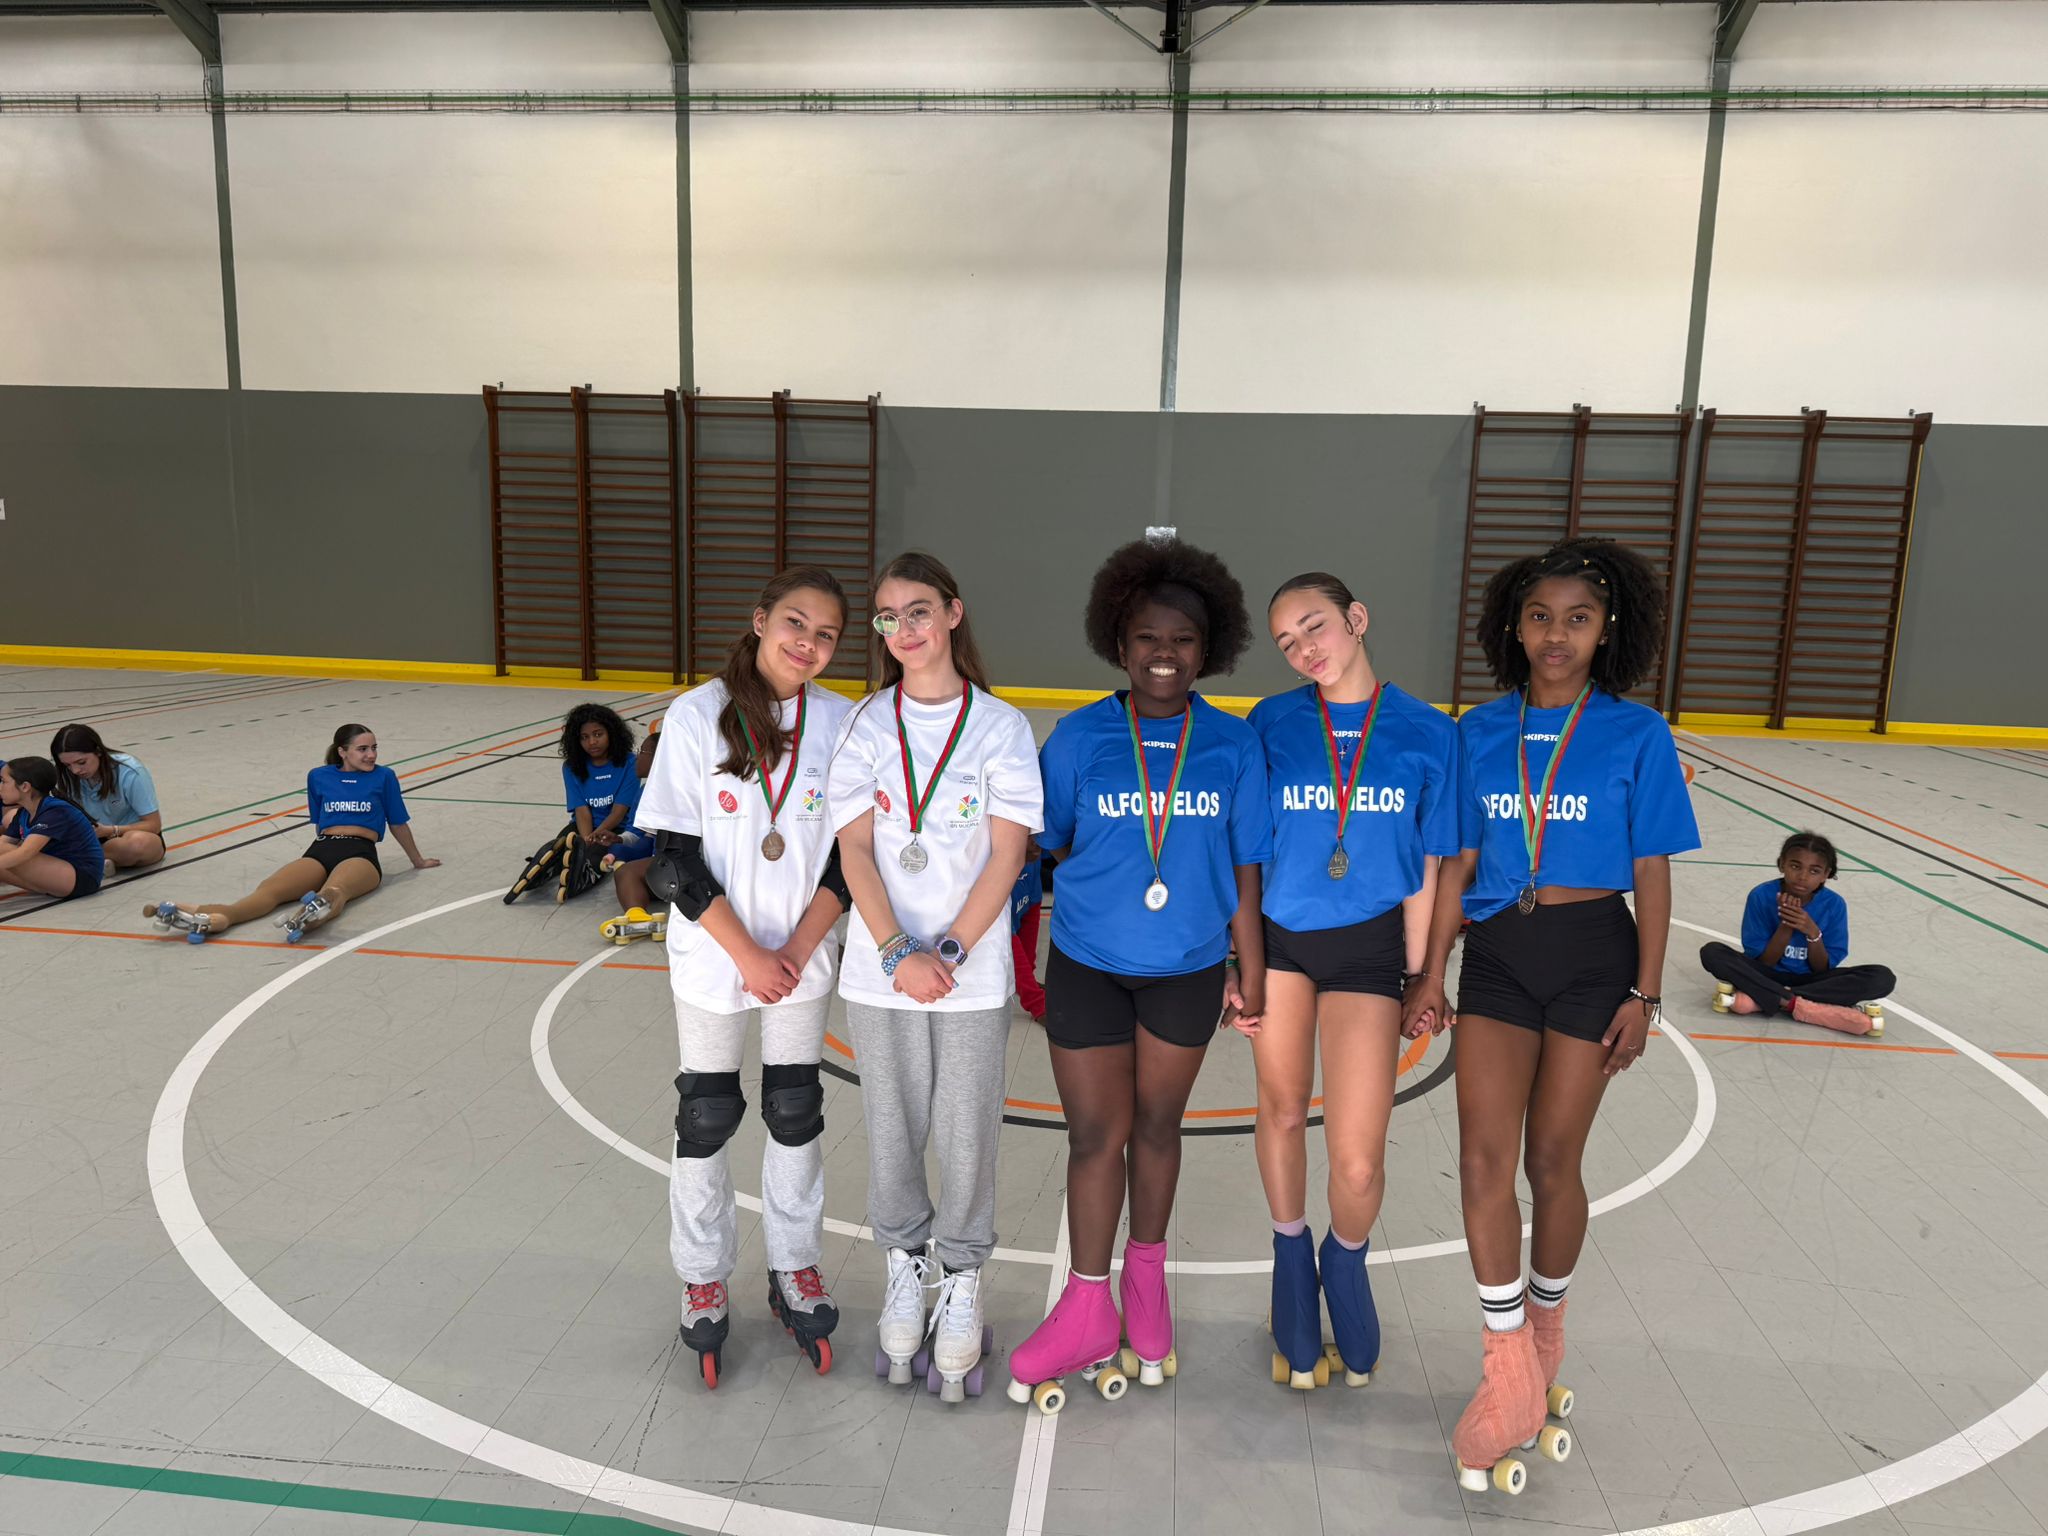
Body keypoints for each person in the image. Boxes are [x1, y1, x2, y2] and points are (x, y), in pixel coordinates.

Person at [1402, 537, 1699, 1495]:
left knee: (1551, 1162)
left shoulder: (1637, 734)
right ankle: (1505, 1367)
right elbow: (1455, 863)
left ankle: (1545, 1335)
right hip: (1498, 955)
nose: (1556, 634)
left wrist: (1644, 995)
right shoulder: (1476, 731)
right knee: (1482, 1161)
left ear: (1607, 629)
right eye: (1539, 617)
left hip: (1592, 959)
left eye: (1577, 618)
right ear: (1513, 627)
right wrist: (1430, 972)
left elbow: (1652, 871)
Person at [1008, 536, 1268, 1415]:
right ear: (1118, 645)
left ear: (1209, 649)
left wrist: (1251, 971)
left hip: (1186, 971)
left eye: (1183, 640)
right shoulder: (1080, 737)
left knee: (1158, 1127)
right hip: (1087, 965)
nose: (1165, 654)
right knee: (1095, 1136)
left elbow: (1246, 873)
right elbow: (1043, 846)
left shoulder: (1232, 745)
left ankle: (1146, 1286)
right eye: (1148, 638)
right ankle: (1088, 1303)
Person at [828, 550, 1042, 1402]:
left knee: (964, 1133)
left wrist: (944, 954)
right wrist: (896, 953)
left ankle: (961, 1278)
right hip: (880, 973)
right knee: (892, 1128)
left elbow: (1008, 854)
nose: (904, 629)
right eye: (888, 617)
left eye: (918, 610)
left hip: (968, 975)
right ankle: (903, 1268)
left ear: (953, 613)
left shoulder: (1001, 726)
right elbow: (854, 849)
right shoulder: (863, 724)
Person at [636, 567, 854, 1389]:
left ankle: (794, 1264)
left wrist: (794, 947)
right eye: (796, 623)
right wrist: (749, 956)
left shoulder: (842, 720)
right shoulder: (698, 715)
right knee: (708, 1110)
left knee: (795, 1107)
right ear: (761, 621)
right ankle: (702, 1274)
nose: (809, 643)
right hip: (714, 953)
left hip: (803, 953)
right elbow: (671, 862)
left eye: (827, 634)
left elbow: (849, 856)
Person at [1248, 572, 1460, 1391]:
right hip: (1282, 943)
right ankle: (1290, 1257)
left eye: (1315, 627)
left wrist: (1424, 973)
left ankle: (1345, 1259)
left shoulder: (1425, 731)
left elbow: (1428, 865)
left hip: (1370, 950)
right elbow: (1247, 853)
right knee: (1280, 1109)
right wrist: (1242, 963)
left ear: (1357, 619)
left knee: (1360, 1160)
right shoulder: (1271, 722)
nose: (1305, 649)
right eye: (1287, 641)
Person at [144, 723, 438, 941]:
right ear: (342, 752)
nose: (371, 755)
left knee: (335, 892)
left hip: (360, 853)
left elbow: (397, 822)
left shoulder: (384, 777)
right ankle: (214, 916)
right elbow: (319, 822)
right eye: (363, 749)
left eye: (374, 748)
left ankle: (306, 916)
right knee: (267, 893)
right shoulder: (319, 776)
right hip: (321, 849)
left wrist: (417, 860)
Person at [1699, 831, 1893, 1035]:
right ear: (1782, 864)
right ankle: (1800, 1004)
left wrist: (1812, 932)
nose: (1802, 877)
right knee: (1713, 953)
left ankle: (1776, 998)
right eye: (1795, 866)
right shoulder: (1761, 895)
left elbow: (1821, 969)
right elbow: (1765, 962)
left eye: (1814, 871)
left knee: (1882, 977)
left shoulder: (1834, 904)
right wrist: (1786, 925)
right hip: (1766, 974)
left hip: (1812, 980)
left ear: (1826, 874)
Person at [552, 703, 657, 935]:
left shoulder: (629, 763)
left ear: (611, 734)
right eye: (585, 737)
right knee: (563, 843)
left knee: (596, 853)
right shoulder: (572, 767)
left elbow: (619, 812)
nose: (592, 742)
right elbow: (581, 811)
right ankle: (552, 865)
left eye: (598, 734)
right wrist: (586, 838)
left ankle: (580, 875)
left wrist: (593, 841)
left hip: (616, 828)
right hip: (583, 826)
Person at [50, 724, 165, 870]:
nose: (75, 770)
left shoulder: (129, 771)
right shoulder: (65, 776)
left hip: (130, 835)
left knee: (137, 844)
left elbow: (153, 825)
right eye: (67, 765)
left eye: (81, 762)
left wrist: (111, 830)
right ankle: (99, 861)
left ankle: (88, 860)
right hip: (92, 840)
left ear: (98, 751)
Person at [0, 757, 105, 901]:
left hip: (82, 877)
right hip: (58, 872)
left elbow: (25, 853)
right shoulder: (24, 812)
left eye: (4, 781)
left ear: (25, 787)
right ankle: (47, 887)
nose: (0, 787)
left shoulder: (55, 811)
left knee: (6, 851)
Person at [1010, 839, 1047, 1024]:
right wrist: (1037, 1003)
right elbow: (1008, 941)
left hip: (1024, 860)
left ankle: (1024, 982)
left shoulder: (1033, 860)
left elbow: (1030, 916)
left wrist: (1029, 978)